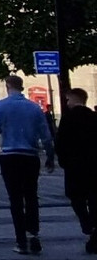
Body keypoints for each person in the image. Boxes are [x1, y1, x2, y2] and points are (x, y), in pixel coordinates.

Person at [0, 74, 55, 255]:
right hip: (30, 156)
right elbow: (46, 137)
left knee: (15, 199)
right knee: (31, 196)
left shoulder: (1, 106)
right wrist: (50, 157)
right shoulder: (35, 108)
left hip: (10, 156)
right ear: (22, 86)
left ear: (7, 86)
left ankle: (21, 241)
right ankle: (33, 234)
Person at [55, 88, 97, 253]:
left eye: (68, 100)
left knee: (76, 198)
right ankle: (93, 226)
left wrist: (63, 161)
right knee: (94, 199)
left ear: (74, 99)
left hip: (74, 167)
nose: (67, 103)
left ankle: (86, 224)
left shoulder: (68, 118)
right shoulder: (94, 117)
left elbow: (60, 142)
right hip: (94, 167)